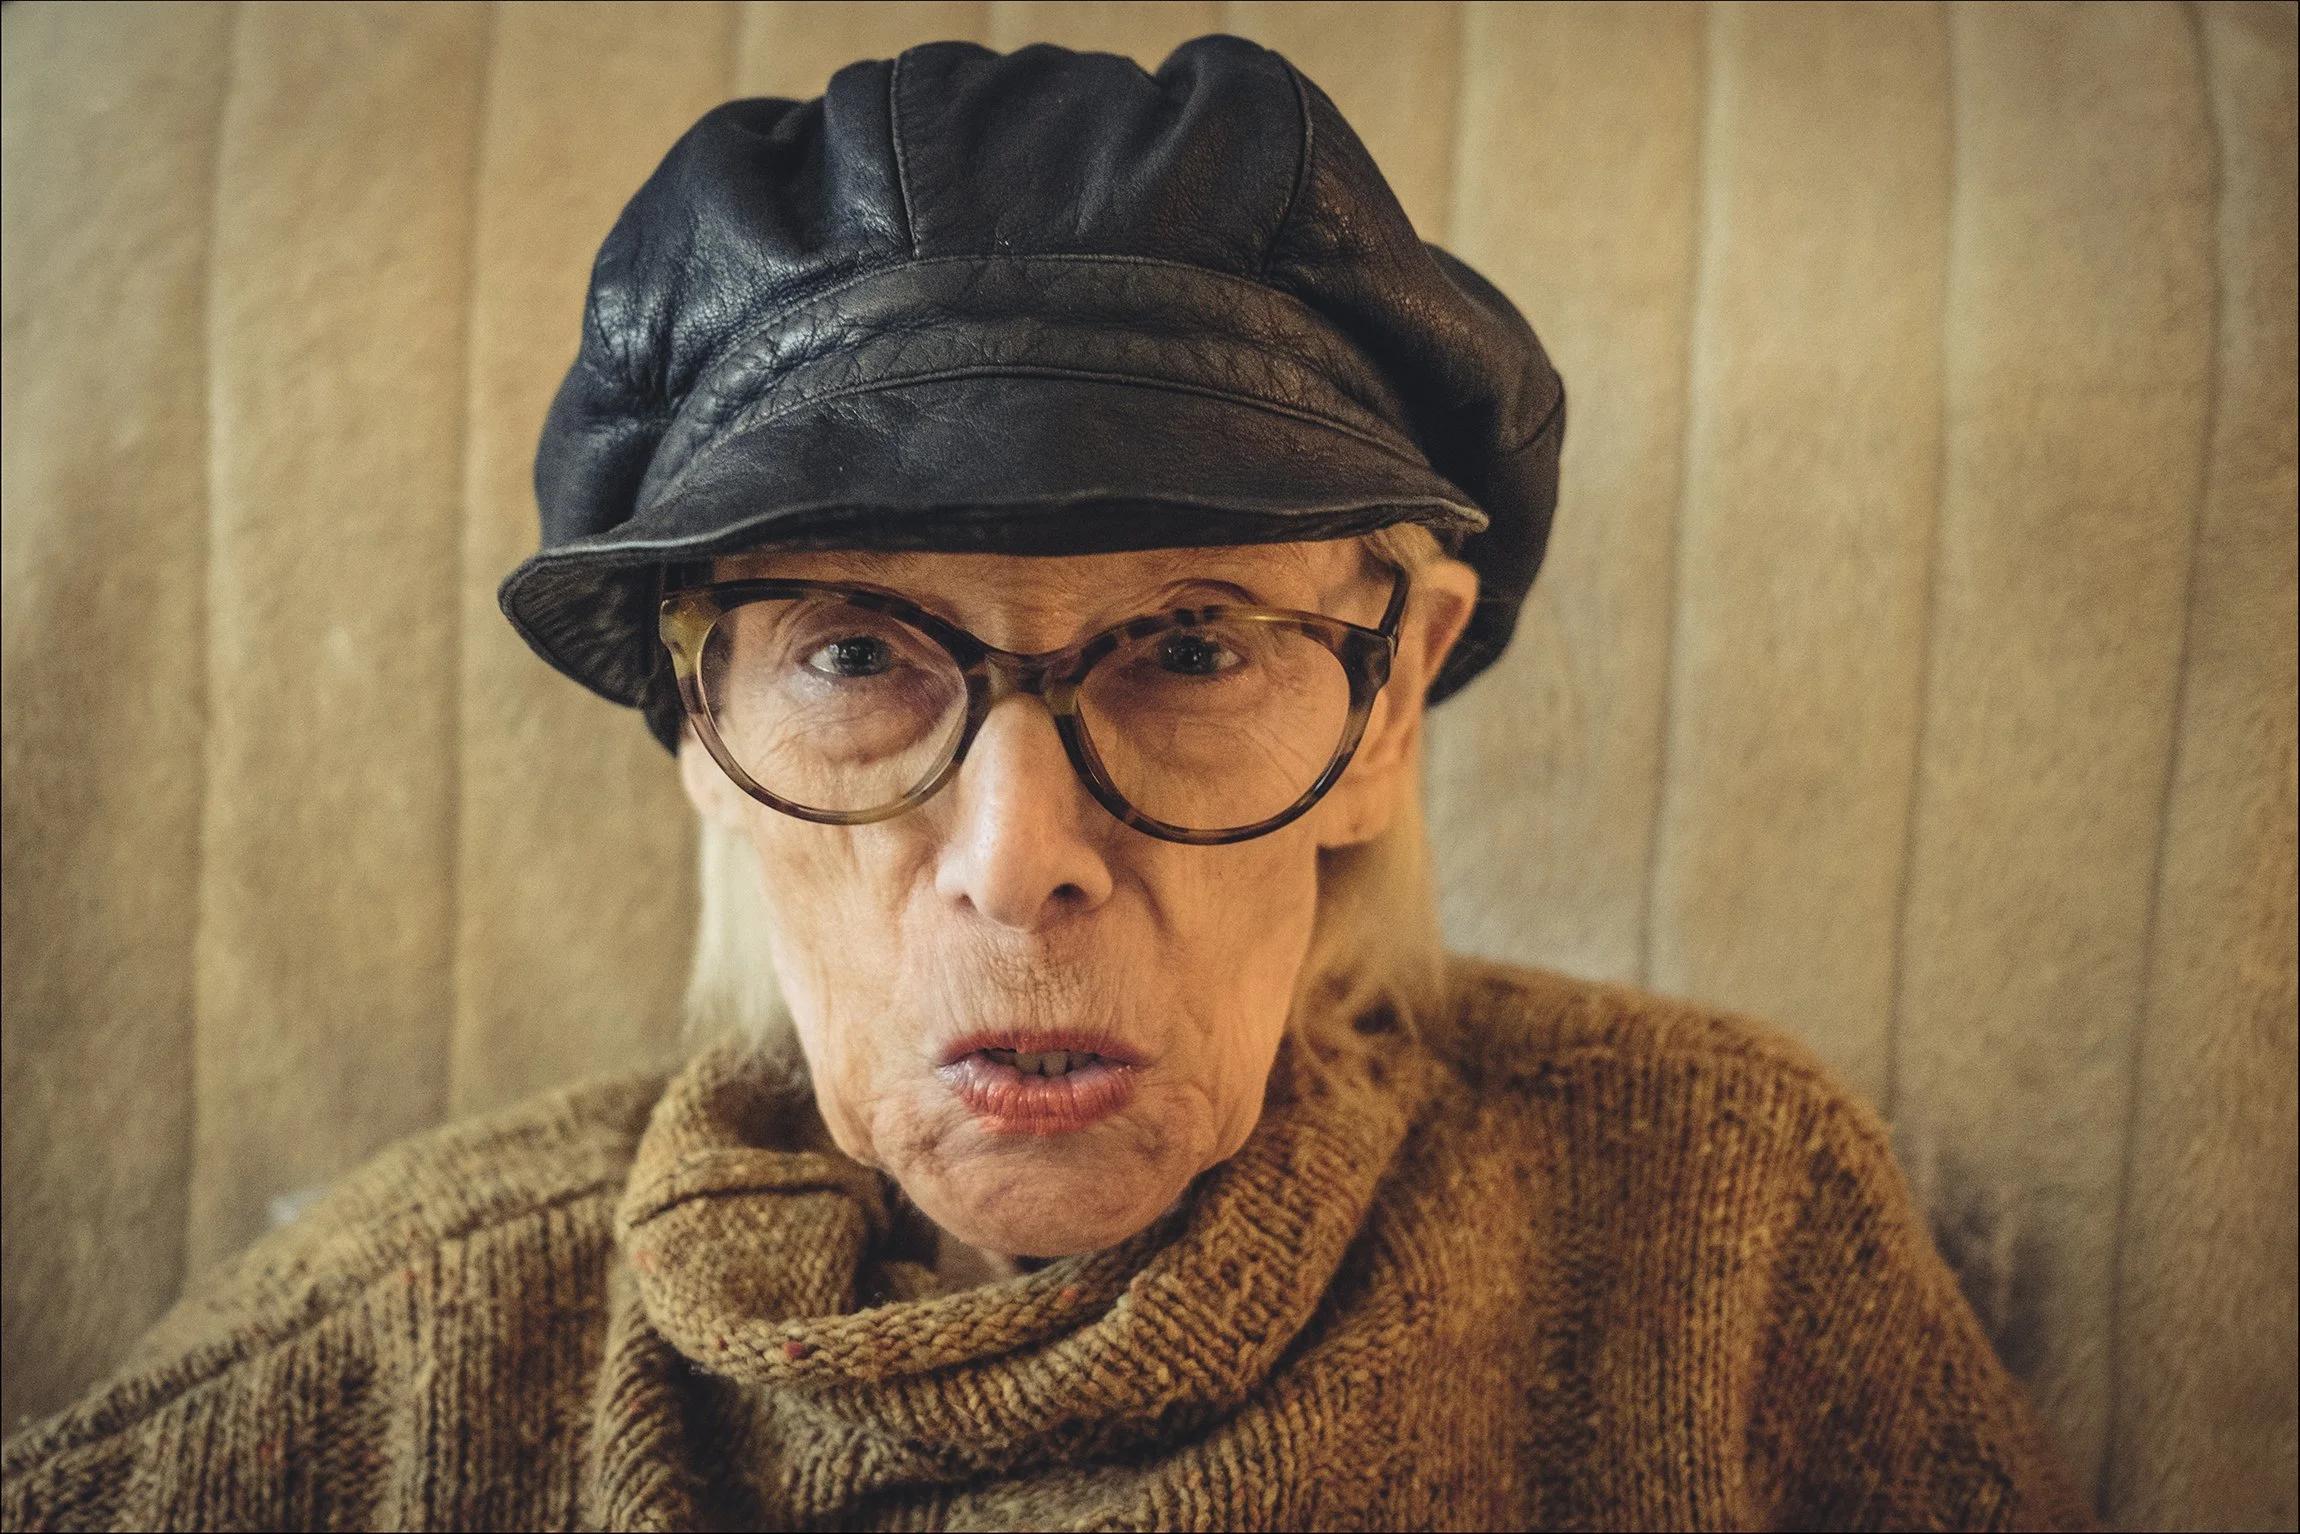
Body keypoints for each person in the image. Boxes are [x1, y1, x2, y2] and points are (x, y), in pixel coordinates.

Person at [1, 37, 2090, 1532]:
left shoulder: (1713, 1226)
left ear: (1388, 698)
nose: (1017, 865)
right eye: (850, 655)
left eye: (1190, 645)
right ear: (698, 731)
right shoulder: (375, 1368)